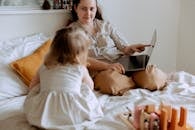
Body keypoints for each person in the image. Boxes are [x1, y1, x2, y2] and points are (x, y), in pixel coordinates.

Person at [23, 27, 104, 129]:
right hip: (72, 112)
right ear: (81, 54)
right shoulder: (80, 68)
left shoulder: (44, 67)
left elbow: (32, 87)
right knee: (84, 87)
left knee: (39, 86)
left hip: (44, 112)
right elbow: (90, 86)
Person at [69, 0, 151, 76]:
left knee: (152, 76)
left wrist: (132, 48)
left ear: (96, 8)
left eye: (92, 9)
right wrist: (108, 66)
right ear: (76, 8)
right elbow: (81, 59)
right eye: (84, 9)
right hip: (101, 71)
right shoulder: (71, 32)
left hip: (122, 64)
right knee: (113, 82)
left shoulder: (106, 25)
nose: (88, 13)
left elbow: (124, 48)